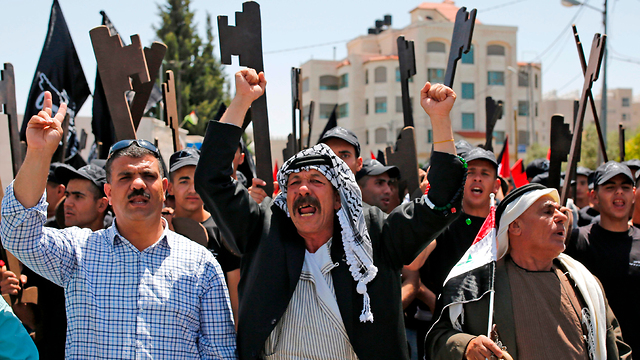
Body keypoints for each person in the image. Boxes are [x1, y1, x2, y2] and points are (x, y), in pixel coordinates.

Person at [194, 68, 465, 360]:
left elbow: (439, 205)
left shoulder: (374, 233)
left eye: (316, 180)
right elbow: (212, 179)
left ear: (338, 198)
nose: (303, 189)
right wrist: (242, 102)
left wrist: (439, 120)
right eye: (294, 182)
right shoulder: (263, 228)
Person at [0, 91, 236, 359]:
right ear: (109, 193)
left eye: (148, 175)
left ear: (164, 188)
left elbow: (220, 353)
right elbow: (18, 236)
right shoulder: (78, 253)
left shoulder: (201, 265)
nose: (138, 184)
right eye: (125, 177)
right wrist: (39, 153)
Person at [426, 183, 630, 360]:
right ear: (515, 226)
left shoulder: (585, 283)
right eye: (548, 211)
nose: (561, 217)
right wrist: (467, 346)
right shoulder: (477, 285)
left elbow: (616, 346)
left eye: (560, 211)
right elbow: (437, 340)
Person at [406, 146, 501, 359]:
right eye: (471, 173)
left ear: (496, 185)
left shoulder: (504, 227)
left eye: (484, 174)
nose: (477, 179)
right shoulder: (445, 222)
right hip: (445, 336)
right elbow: (412, 263)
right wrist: (431, 210)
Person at [566, 161, 640, 353]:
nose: (619, 193)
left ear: (633, 194)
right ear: (594, 196)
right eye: (610, 187)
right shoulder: (578, 240)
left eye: (625, 187)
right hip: (596, 349)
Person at [167, 147, 241, 324]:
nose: (192, 189)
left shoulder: (223, 229)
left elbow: (235, 301)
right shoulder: (158, 229)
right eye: (183, 181)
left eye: (198, 181)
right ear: (169, 187)